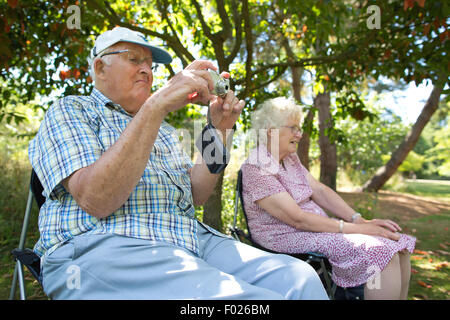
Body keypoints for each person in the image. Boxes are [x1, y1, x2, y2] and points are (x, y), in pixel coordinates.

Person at [28, 27, 328, 300]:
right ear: (100, 67)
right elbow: (96, 198)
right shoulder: (71, 110)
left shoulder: (165, 130)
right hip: (106, 245)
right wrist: (157, 104)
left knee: (301, 280)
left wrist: (218, 130)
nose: (146, 70)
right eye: (134, 59)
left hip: (190, 241)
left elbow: (196, 193)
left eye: (150, 64)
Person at [241, 97, 416, 300]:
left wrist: (359, 220)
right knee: (380, 252)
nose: (299, 134)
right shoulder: (257, 167)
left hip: (315, 230)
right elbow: (298, 219)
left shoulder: (289, 159)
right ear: (271, 130)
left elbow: (320, 191)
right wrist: (360, 230)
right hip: (285, 236)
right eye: (293, 128)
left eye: (299, 129)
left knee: (399, 246)